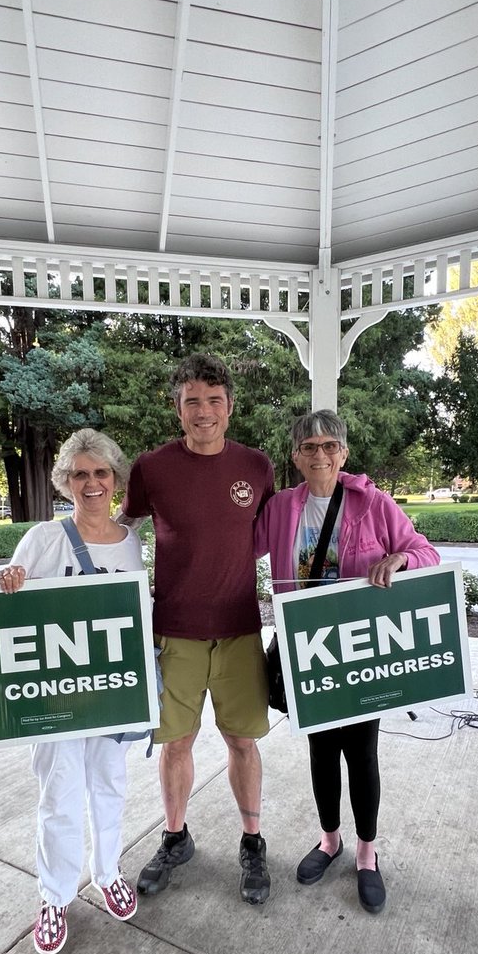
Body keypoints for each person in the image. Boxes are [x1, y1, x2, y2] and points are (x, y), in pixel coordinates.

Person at [254, 410, 439, 914]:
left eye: (329, 446)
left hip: (359, 647)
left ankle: (366, 854)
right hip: (307, 647)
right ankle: (330, 840)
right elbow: (234, 548)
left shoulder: (372, 503)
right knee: (321, 749)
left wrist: (400, 560)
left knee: (361, 751)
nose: (319, 454)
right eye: (309, 446)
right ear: (295, 456)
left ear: (344, 453)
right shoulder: (279, 510)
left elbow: (426, 553)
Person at [122, 353, 275, 904]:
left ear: (230, 407)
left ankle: (252, 842)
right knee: (177, 743)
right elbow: (120, 530)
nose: (204, 411)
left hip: (238, 628)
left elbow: (282, 528)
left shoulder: (257, 466)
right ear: (178, 408)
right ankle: (175, 836)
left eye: (214, 400)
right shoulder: (151, 467)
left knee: (242, 740)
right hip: (175, 631)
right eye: (193, 401)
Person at [0, 428, 143, 954]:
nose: (92, 482)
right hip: (57, 697)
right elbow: (11, 609)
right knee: (58, 795)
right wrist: (9, 581)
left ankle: (108, 873)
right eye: (80, 474)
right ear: (65, 482)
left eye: (101, 473)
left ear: (115, 480)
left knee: (109, 786)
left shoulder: (131, 544)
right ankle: (55, 896)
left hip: (110, 693)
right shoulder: (43, 539)